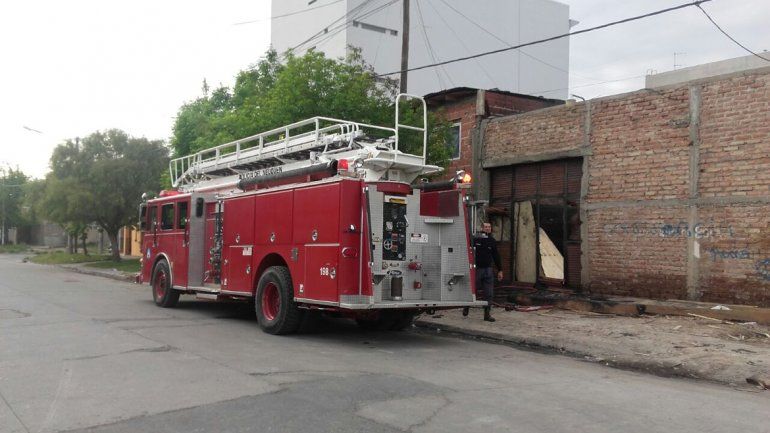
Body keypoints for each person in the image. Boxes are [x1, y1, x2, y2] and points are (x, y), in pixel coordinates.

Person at [464, 222, 503, 322]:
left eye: (489, 227)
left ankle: (487, 314)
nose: (487, 228)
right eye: (485, 227)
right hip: (477, 269)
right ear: (482, 228)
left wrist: (500, 270)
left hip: (488, 270)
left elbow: (496, 256)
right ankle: (466, 306)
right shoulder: (476, 239)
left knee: (489, 293)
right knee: (473, 290)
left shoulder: (492, 241)